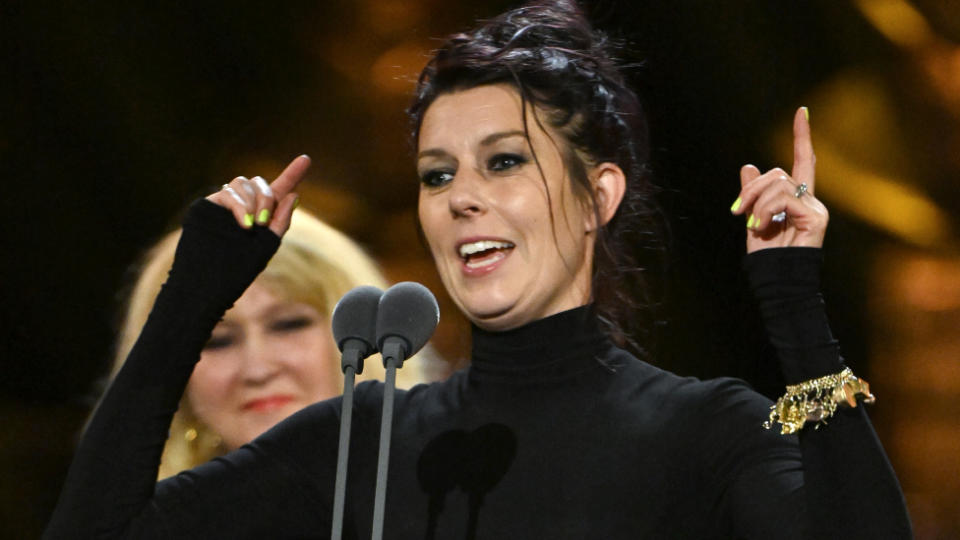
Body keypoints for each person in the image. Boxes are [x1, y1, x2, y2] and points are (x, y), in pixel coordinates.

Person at [45, 1, 912, 538]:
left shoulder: (707, 431)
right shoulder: (360, 445)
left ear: (595, 195)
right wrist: (190, 299)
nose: (461, 198)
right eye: (437, 174)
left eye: (503, 162)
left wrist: (795, 303)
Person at [109, 196, 432, 477]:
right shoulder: (151, 523)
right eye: (218, 341)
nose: (257, 369)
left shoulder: (452, 498)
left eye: (289, 325)